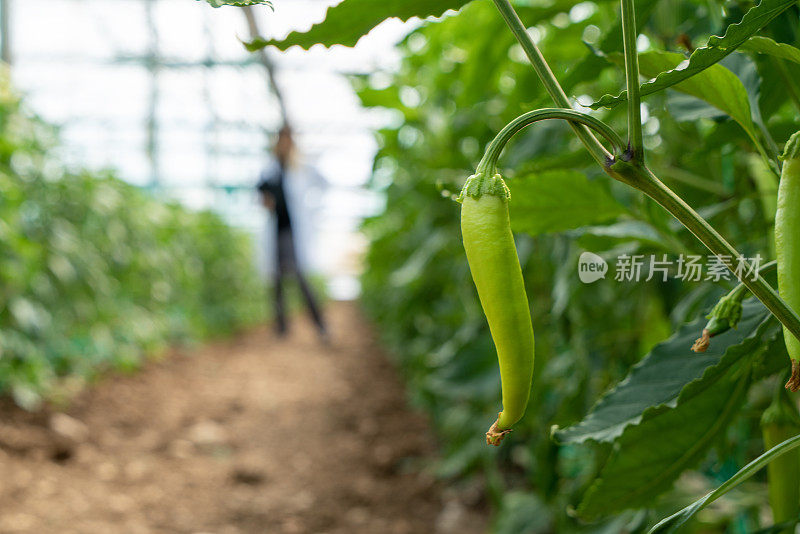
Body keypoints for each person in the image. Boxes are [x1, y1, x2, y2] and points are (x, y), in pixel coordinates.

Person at [257, 125, 327, 340]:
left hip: (293, 232)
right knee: (277, 280)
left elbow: (324, 185)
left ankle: (320, 325)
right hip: (276, 231)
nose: (284, 144)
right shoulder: (270, 169)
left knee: (299, 276)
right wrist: (266, 202)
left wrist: (313, 211)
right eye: (281, 140)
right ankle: (281, 328)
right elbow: (261, 195)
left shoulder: (301, 169)